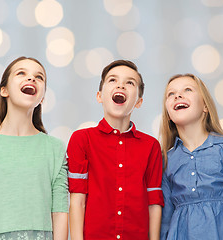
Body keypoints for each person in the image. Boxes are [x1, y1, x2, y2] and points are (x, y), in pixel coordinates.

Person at [0, 56, 68, 240]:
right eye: (21, 73)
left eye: (39, 77)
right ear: (4, 90)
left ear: (42, 97)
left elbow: (60, 214)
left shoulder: (55, 149)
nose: (31, 79)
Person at [67, 60, 164, 240]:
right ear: (99, 96)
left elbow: (154, 202)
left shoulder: (151, 146)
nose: (121, 84)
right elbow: (77, 201)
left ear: (139, 102)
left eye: (130, 82)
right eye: (112, 80)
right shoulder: (81, 140)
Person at [159, 73, 223, 240]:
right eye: (171, 94)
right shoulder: (166, 160)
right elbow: (165, 221)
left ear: (205, 106)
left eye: (188, 89)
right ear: (168, 113)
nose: (177, 95)